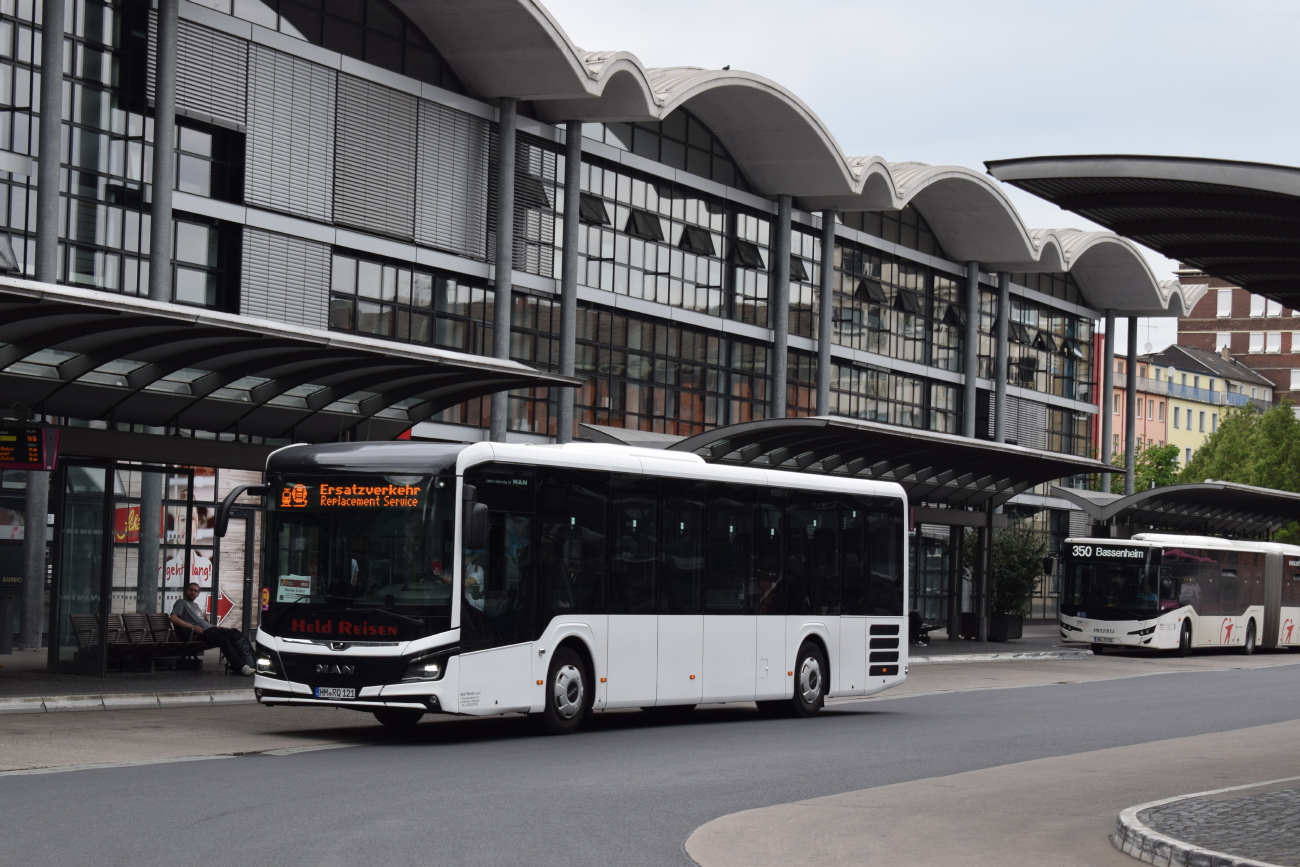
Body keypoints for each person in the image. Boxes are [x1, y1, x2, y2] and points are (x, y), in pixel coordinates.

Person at [170, 582, 255, 676]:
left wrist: (214, 626)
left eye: (195, 591)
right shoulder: (181, 602)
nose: (193, 592)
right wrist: (192, 627)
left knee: (238, 635)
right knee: (223, 640)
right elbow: (174, 618)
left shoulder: (195, 606)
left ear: (198, 594)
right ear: (186, 591)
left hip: (209, 629)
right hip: (198, 633)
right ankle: (241, 667)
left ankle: (255, 663)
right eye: (190, 590)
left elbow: (200, 621)